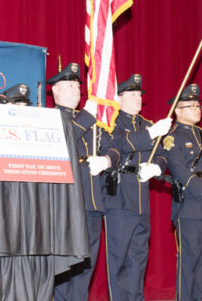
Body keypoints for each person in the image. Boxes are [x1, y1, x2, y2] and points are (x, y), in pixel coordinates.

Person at [49, 62, 119, 301]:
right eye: (69, 85)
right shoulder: (49, 117)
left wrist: (107, 160)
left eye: (77, 85)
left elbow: (114, 146)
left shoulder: (91, 120)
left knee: (86, 264)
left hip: (91, 203)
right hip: (65, 204)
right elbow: (62, 140)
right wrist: (88, 115)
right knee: (65, 266)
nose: (76, 89)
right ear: (55, 90)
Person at [156, 84, 202, 301]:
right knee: (189, 262)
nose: (197, 109)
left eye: (198, 105)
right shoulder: (172, 137)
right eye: (191, 106)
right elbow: (178, 170)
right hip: (190, 207)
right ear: (178, 110)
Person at [103, 74, 171, 301]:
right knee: (119, 258)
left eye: (139, 94)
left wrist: (157, 168)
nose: (137, 98)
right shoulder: (112, 121)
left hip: (141, 197)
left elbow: (163, 155)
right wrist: (151, 133)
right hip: (120, 197)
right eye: (132, 94)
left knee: (138, 258)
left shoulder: (147, 124)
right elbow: (122, 144)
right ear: (118, 98)